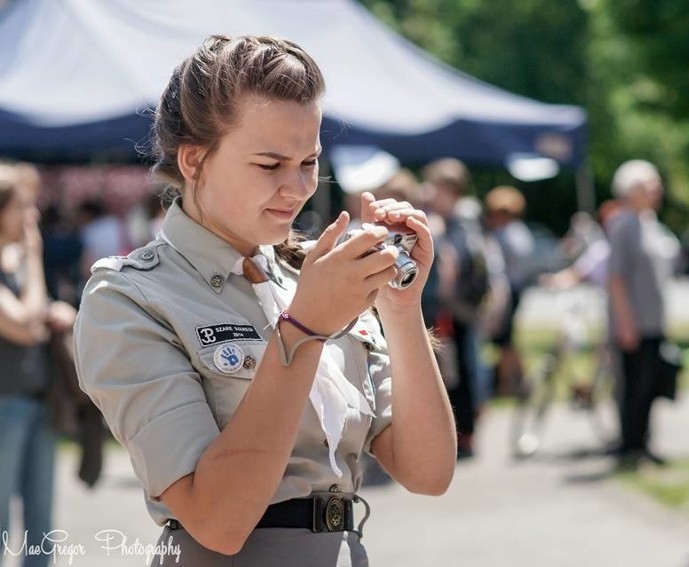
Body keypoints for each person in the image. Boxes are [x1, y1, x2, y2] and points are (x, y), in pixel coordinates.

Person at [73, 35, 456, 566]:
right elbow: (218, 519)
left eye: (309, 161)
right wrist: (301, 331)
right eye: (269, 164)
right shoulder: (130, 297)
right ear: (193, 160)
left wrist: (400, 306)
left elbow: (428, 471)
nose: (297, 188)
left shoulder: (310, 277)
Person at [0, 164, 76, 567]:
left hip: (40, 399)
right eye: (23, 207)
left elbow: (35, 315)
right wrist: (34, 257)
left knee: (41, 525)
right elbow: (23, 326)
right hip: (4, 404)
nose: (32, 218)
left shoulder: (19, 261)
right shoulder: (24, 260)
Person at [606, 159, 680, 466]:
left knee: (651, 385)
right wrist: (625, 323)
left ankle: (644, 441)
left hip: (653, 321)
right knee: (634, 386)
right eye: (649, 185)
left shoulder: (649, 223)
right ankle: (631, 444)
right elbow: (616, 278)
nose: (656, 190)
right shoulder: (624, 224)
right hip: (634, 323)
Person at [421, 158, 492, 459]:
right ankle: (459, 434)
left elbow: (459, 262)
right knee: (455, 371)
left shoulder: (461, 219)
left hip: (457, 310)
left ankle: (463, 436)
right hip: (456, 309)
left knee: (458, 374)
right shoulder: (458, 218)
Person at [483, 185, 535, 397]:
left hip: (510, 290)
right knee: (507, 340)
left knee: (504, 340)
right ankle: (519, 379)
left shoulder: (508, 234)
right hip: (514, 288)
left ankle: (507, 384)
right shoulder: (517, 232)